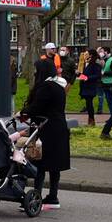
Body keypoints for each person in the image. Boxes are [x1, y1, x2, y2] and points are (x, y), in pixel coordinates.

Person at [21, 60, 71, 208]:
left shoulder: (45, 87)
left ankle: (35, 196)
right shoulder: (58, 87)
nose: (35, 72)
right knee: (54, 165)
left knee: (40, 163)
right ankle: (53, 196)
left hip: (47, 129)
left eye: (36, 70)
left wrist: (23, 112)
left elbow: (36, 107)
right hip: (59, 128)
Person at [78, 48, 102, 127]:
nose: (85, 55)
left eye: (86, 53)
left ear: (91, 55)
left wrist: (87, 78)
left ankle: (91, 120)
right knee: (88, 104)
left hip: (90, 87)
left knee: (89, 103)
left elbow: (97, 75)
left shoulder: (95, 64)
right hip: (84, 86)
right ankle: (90, 119)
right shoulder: (85, 63)